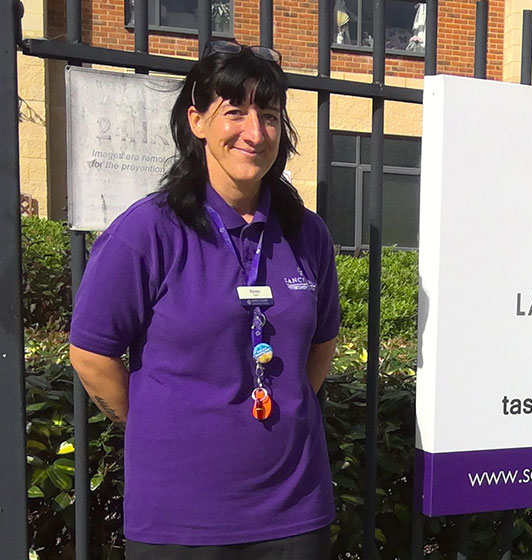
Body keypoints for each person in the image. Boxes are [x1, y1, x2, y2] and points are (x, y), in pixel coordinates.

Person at [69, 40, 339, 559]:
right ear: (197, 121)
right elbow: (90, 353)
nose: (255, 132)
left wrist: (283, 407)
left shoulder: (306, 233)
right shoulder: (148, 231)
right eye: (234, 112)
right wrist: (162, 422)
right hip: (180, 518)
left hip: (294, 511)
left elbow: (322, 341)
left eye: (270, 114)